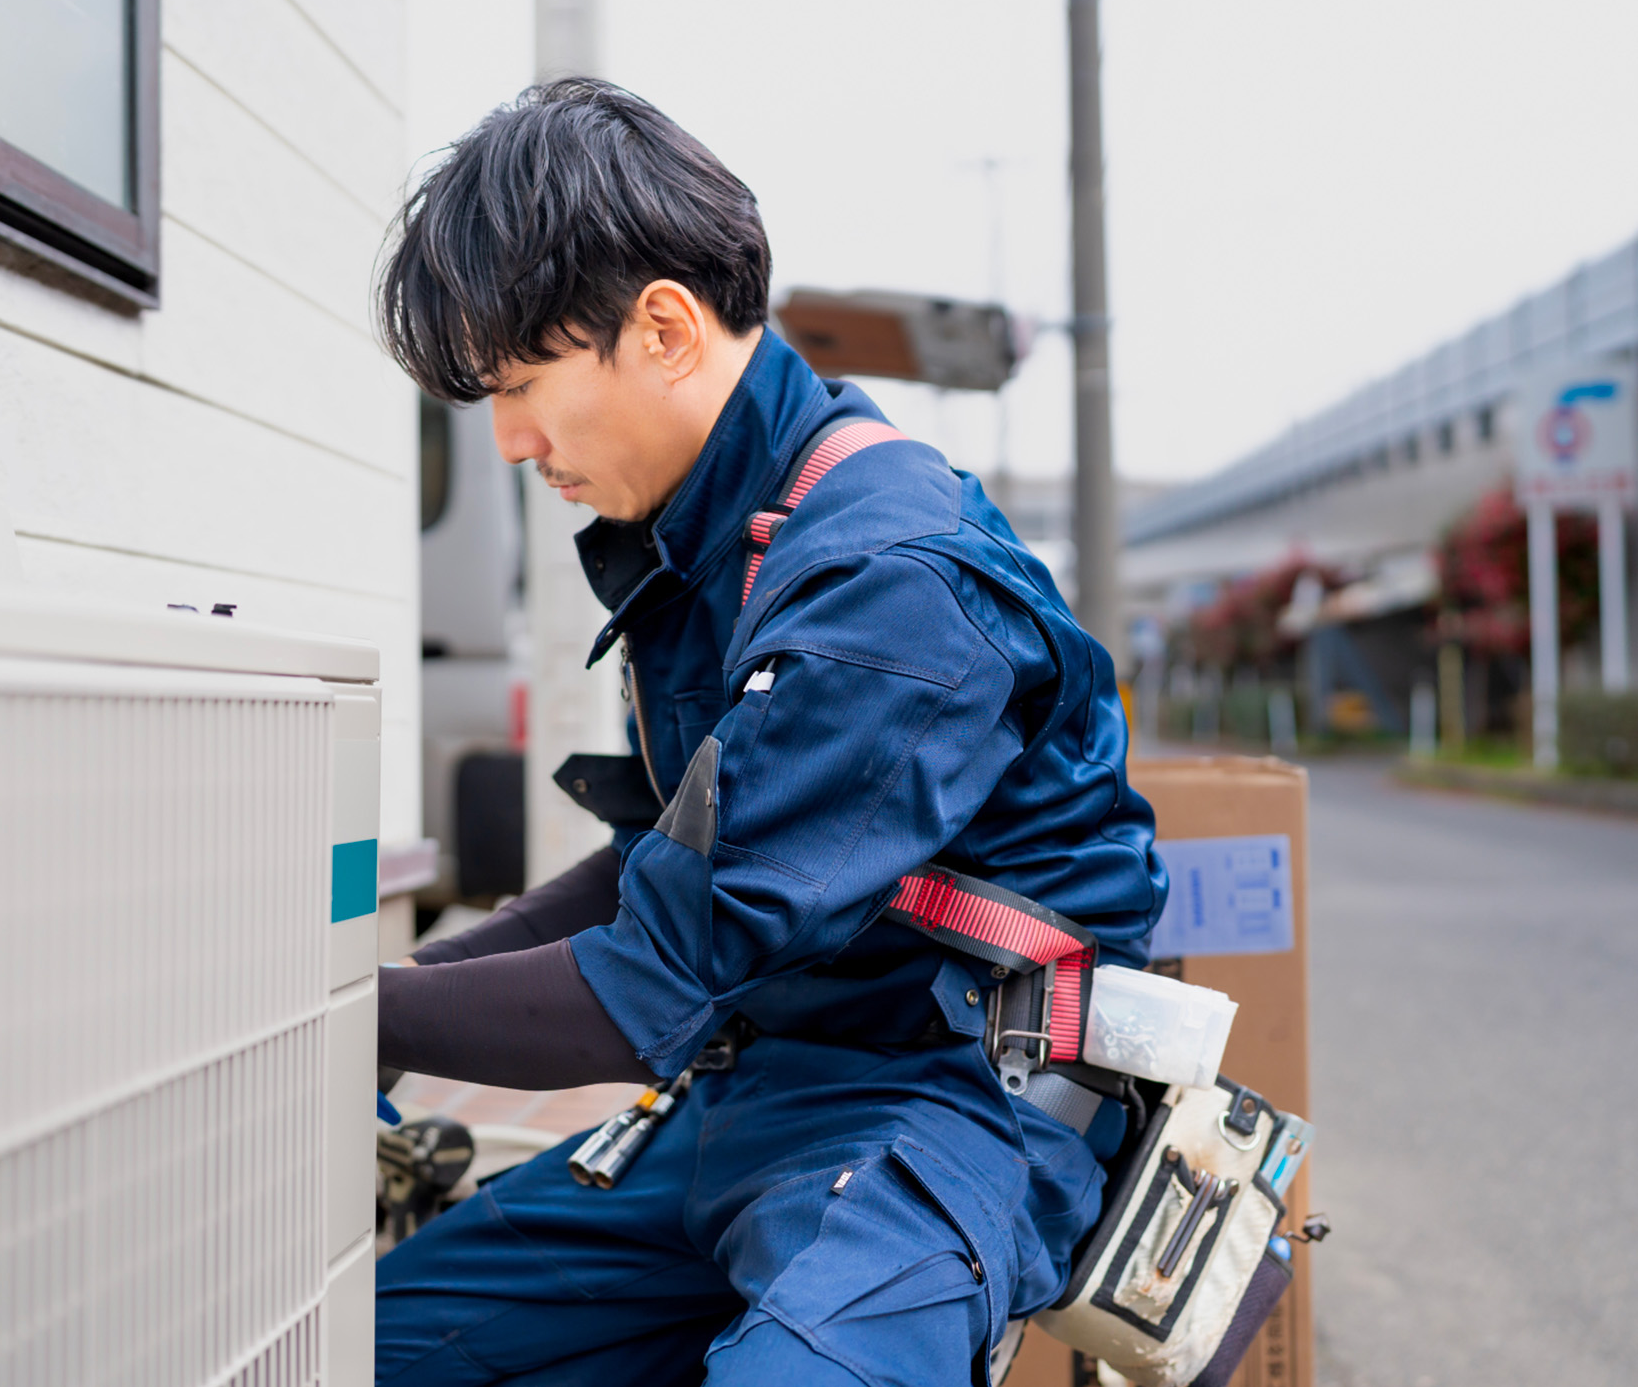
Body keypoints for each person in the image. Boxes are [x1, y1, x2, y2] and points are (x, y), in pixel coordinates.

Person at [373, 78, 1165, 1386]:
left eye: (520, 386)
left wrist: (346, 1018)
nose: (511, 439)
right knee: (376, 1349)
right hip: (755, 1090)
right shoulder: (712, 534)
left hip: (946, 1115)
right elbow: (657, 868)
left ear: (665, 329)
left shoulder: (885, 585)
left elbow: (652, 977)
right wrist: (399, 1005)